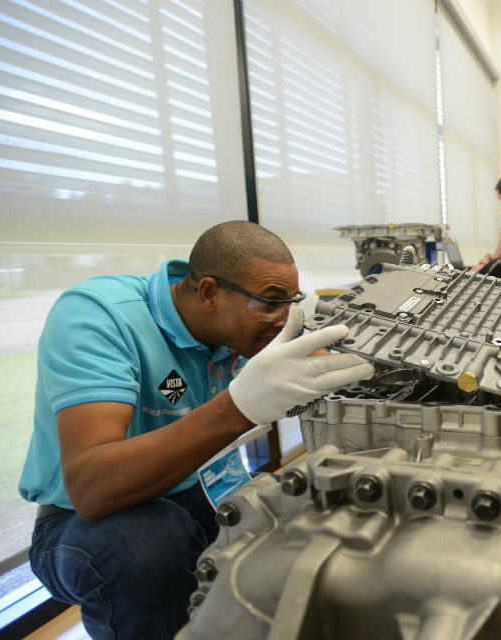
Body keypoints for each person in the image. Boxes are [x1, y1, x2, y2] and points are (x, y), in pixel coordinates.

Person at [18, 221, 375, 639]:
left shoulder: (239, 328)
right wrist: (239, 407)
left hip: (195, 490)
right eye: (271, 302)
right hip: (81, 523)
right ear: (209, 293)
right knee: (144, 544)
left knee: (296, 518)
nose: (283, 320)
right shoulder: (98, 316)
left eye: (290, 301)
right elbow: (91, 487)